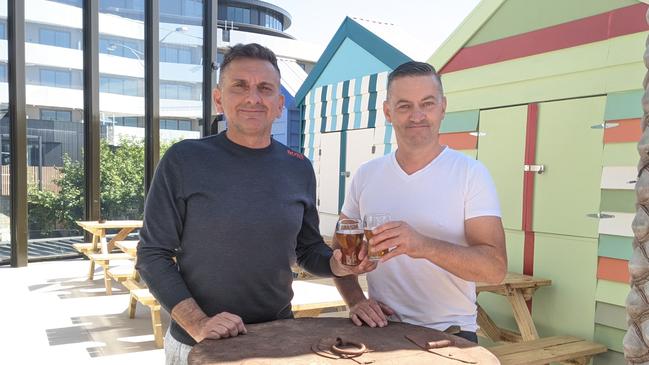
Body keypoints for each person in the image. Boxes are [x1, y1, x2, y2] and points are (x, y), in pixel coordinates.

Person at [136, 43, 375, 365]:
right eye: (240, 86)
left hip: (278, 338)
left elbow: (307, 250)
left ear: (279, 104)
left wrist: (338, 264)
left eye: (265, 88)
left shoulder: (298, 167)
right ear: (219, 99)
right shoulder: (184, 159)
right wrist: (198, 324)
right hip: (199, 343)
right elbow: (152, 254)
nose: (253, 98)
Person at [333, 61, 507, 343]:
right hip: (381, 330)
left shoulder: (470, 174)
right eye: (404, 106)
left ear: (443, 107)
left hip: (449, 334)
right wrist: (355, 300)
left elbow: (495, 268)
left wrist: (423, 245)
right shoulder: (366, 174)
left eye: (427, 104)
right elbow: (340, 256)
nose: (417, 115)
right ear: (388, 112)